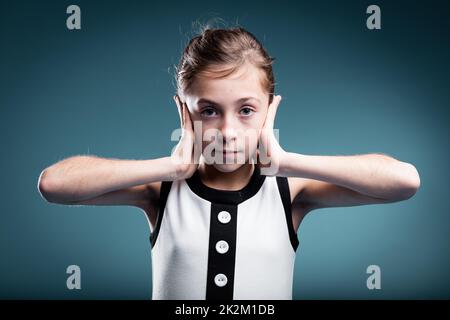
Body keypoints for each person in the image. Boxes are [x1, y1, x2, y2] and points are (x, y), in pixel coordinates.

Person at [37, 26, 421, 300]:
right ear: (182, 111)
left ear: (270, 109)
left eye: (247, 110)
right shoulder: (160, 190)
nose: (227, 130)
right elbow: (54, 185)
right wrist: (169, 168)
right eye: (208, 110)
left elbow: (404, 181)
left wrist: (287, 161)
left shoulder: (292, 191)